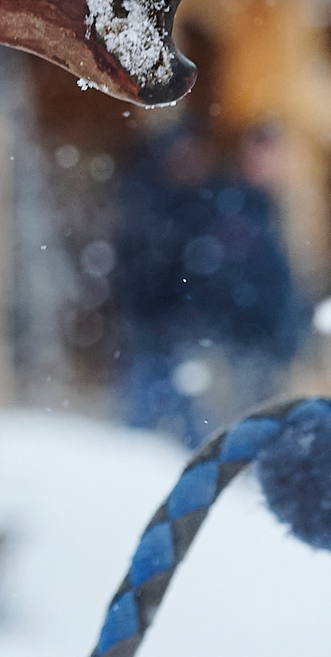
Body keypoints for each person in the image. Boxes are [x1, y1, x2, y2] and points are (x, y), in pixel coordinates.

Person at [110, 118, 310, 444]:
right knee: (177, 429)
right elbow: (197, 275)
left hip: (253, 342)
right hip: (194, 338)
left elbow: (276, 280)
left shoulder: (261, 206)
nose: (268, 163)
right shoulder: (214, 204)